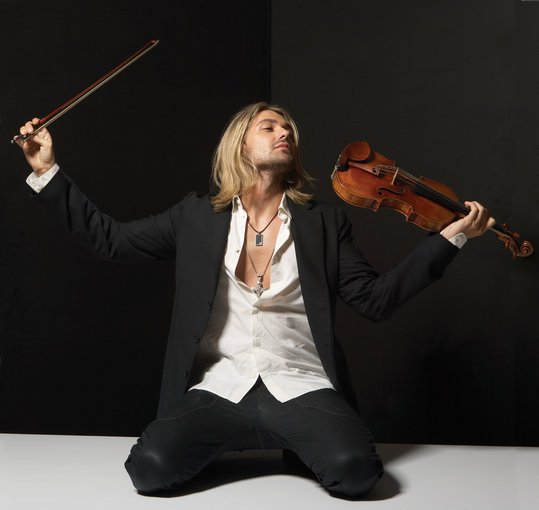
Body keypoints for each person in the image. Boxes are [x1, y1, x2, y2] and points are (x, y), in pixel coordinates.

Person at [17, 103, 494, 499]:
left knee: (355, 473)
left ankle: (297, 442)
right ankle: (240, 441)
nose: (284, 132)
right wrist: (46, 171)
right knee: (150, 470)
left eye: (288, 129)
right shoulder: (195, 216)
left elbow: (375, 299)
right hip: (219, 389)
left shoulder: (323, 223)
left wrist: (448, 239)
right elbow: (111, 240)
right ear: (240, 144)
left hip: (301, 387)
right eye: (269, 126)